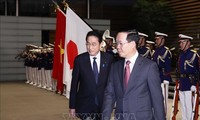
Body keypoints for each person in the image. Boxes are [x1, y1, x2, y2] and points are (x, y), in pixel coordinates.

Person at [102, 29, 165, 120]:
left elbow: (157, 99)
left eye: (120, 43)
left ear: (132, 44)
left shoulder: (149, 67)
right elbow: (109, 95)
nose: (117, 47)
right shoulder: (115, 67)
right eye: (116, 44)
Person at [69, 30, 114, 120]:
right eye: (88, 44)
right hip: (85, 105)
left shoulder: (109, 59)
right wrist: (72, 106)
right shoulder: (80, 60)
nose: (90, 47)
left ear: (100, 44)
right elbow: (74, 85)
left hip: (104, 105)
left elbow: (111, 82)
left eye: (93, 44)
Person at [177, 34, 199, 120]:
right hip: (182, 83)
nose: (180, 44)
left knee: (189, 106)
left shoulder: (194, 55)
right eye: (180, 42)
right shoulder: (181, 55)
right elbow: (178, 69)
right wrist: (179, 81)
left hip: (190, 84)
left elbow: (198, 70)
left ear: (188, 43)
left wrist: (195, 83)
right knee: (183, 105)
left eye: (182, 42)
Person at [152, 32, 172, 116]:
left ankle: (163, 117)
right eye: (156, 39)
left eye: (158, 39)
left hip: (163, 78)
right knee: (156, 99)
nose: (156, 41)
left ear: (162, 39)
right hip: (156, 77)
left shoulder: (166, 51)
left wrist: (166, 78)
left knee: (163, 101)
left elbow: (168, 66)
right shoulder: (156, 51)